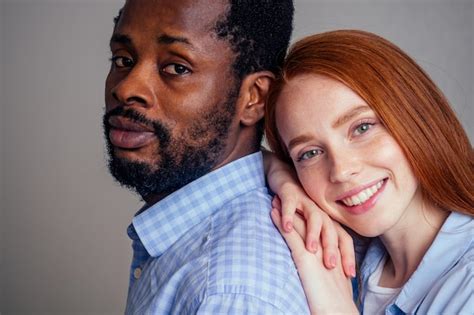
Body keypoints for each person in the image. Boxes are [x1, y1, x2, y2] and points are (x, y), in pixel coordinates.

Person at [103, 0, 353, 313]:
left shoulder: (228, 294)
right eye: (123, 59)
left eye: (177, 68)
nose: (127, 89)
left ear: (254, 97)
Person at [264, 30, 473, 314]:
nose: (341, 170)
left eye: (361, 128)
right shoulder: (358, 256)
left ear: (415, 116)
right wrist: (284, 180)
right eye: (310, 153)